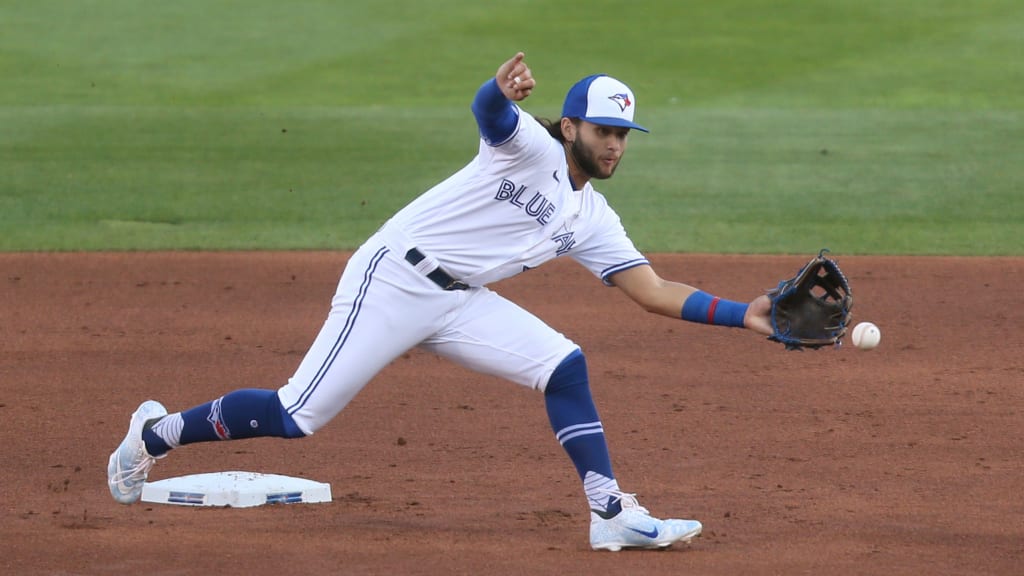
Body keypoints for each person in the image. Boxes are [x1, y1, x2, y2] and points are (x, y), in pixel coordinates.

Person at [107, 52, 774, 551]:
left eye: (624, 136)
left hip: (460, 302)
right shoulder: (527, 148)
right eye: (602, 130)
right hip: (394, 278)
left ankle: (610, 514)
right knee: (296, 414)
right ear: (569, 125)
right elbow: (491, 115)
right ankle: (150, 437)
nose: (614, 145)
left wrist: (742, 313)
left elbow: (652, 291)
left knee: (563, 365)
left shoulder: (593, 217)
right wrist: (496, 89)